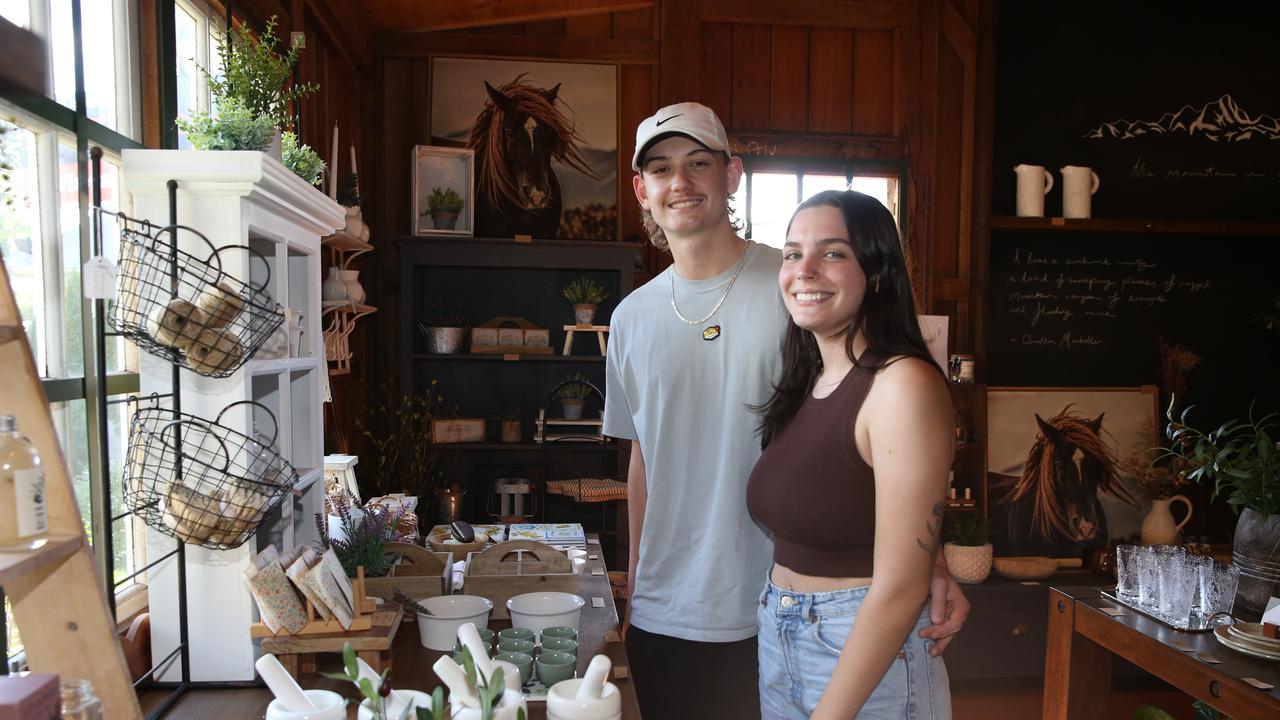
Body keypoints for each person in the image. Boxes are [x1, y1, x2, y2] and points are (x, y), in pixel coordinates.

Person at [603, 102, 969, 719]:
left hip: (772, 601)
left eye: (699, 162)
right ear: (642, 189)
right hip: (669, 608)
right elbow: (644, 457)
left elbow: (888, 428)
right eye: (661, 168)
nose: (681, 182)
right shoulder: (630, 317)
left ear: (733, 174)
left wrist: (926, 559)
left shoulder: (799, 288)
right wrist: (637, 581)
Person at [747, 189, 954, 718]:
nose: (805, 269)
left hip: (861, 649)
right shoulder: (809, 379)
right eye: (793, 253)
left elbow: (901, 588)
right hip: (782, 629)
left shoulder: (902, 383)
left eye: (833, 253)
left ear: (877, 271)